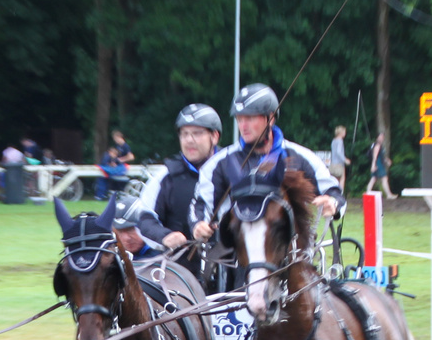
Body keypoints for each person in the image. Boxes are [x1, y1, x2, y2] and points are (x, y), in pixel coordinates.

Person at [193, 83, 344, 243]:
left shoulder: (302, 157)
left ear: (270, 118)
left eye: (250, 118)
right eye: (239, 119)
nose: (243, 126)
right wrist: (198, 225)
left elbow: (335, 193)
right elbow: (201, 205)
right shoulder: (220, 163)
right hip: (236, 257)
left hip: (291, 254)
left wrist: (332, 203)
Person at [116, 103, 223, 264]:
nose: (189, 140)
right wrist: (165, 236)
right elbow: (145, 219)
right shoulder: (165, 176)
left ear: (214, 136)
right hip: (180, 275)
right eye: (184, 134)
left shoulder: (232, 169)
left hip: (232, 270)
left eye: (197, 133)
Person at [366, 132, 394, 198]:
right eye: (380, 136)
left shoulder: (376, 145)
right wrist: (373, 165)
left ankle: (367, 193)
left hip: (377, 163)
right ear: (377, 137)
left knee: (373, 179)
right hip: (378, 164)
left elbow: (381, 156)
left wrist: (387, 160)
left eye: (382, 137)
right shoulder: (377, 145)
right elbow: (375, 156)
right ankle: (389, 195)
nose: (382, 138)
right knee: (384, 178)